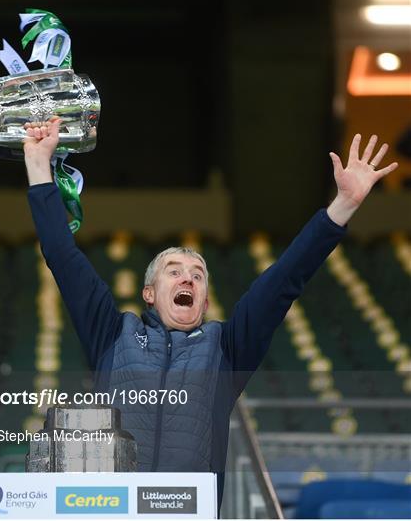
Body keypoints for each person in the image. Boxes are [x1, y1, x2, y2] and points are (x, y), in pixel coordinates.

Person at [23, 119, 397, 509]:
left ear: (203, 302)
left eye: (197, 275)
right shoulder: (111, 334)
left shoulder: (226, 350)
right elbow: (62, 257)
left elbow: (285, 279)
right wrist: (37, 166)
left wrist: (343, 206)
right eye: (174, 271)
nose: (187, 278)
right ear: (149, 293)